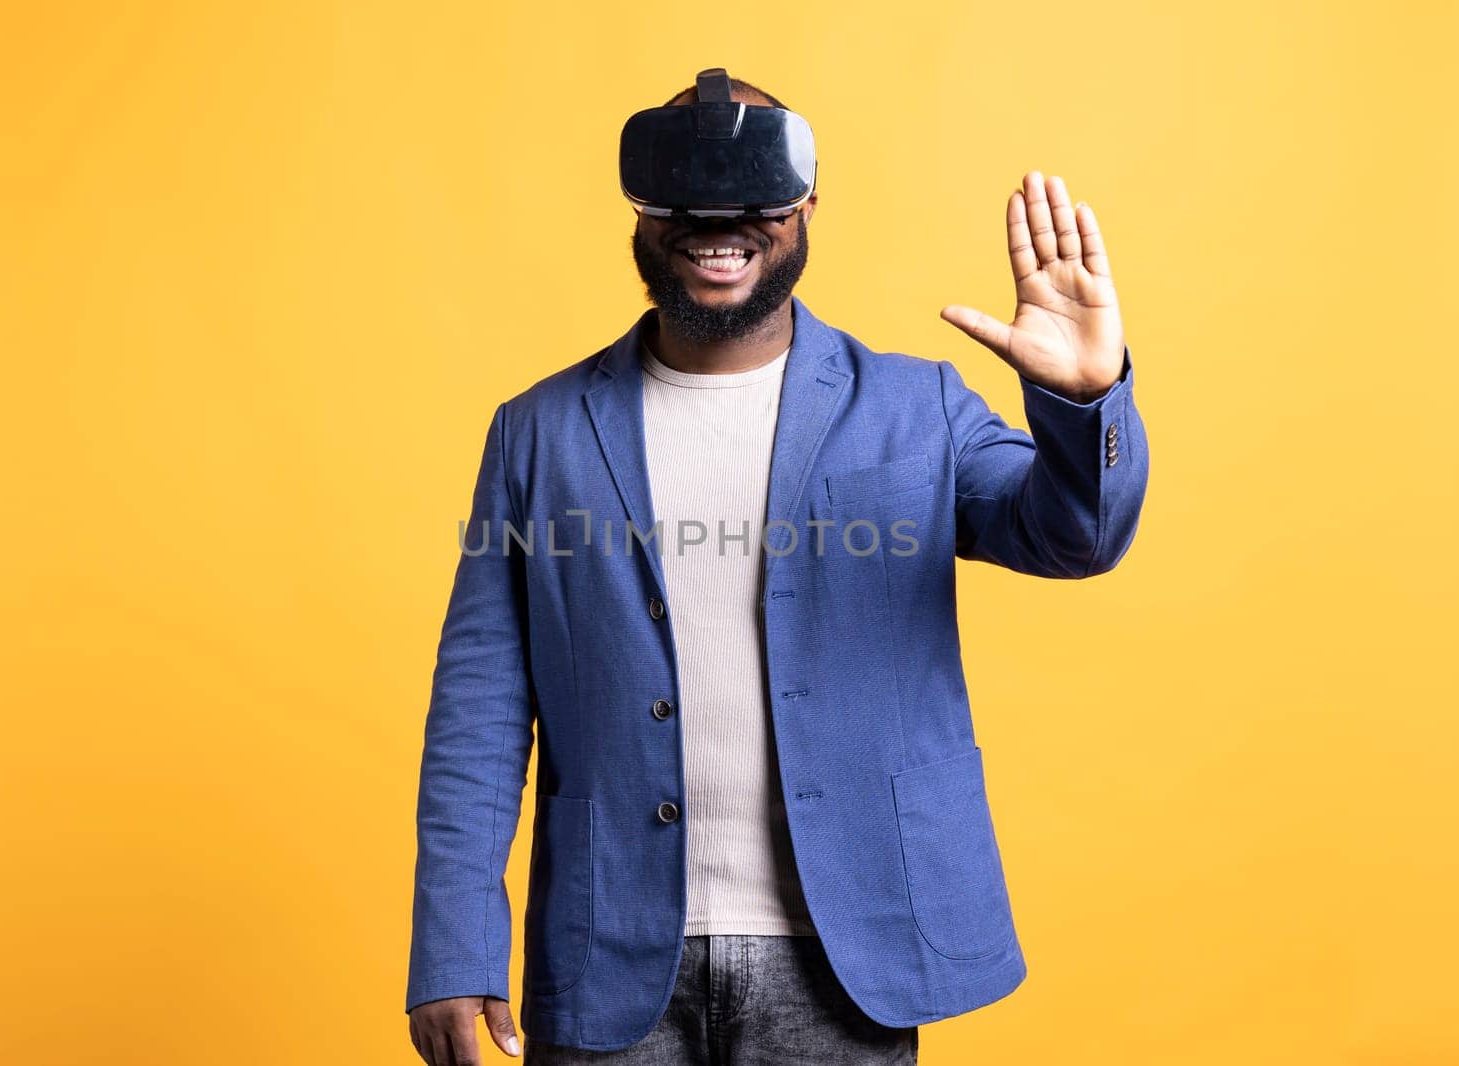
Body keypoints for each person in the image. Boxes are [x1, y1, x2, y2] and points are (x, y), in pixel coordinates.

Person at [406, 72, 1149, 1066]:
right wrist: (454, 943)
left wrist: (1085, 404)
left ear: (804, 205)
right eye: (686, 199)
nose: (719, 225)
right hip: (608, 949)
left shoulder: (913, 405)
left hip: (844, 958)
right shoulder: (537, 432)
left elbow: (1072, 536)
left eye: (753, 196)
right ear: (639, 208)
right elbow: (479, 707)